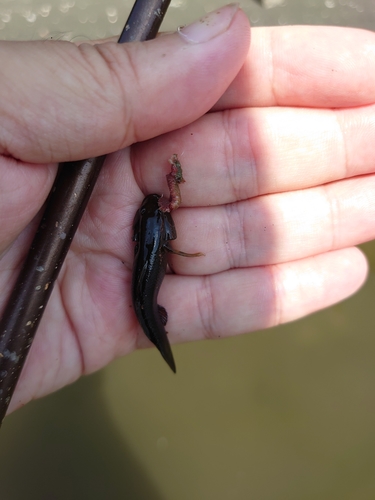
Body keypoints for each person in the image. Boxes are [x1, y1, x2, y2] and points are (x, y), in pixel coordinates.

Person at [0, 4, 372, 414]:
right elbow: (158, 233)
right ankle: (157, 337)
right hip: (139, 269)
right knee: (148, 304)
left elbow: (156, 233)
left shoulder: (152, 232)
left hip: (140, 268)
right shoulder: (156, 231)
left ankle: (157, 334)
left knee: (148, 304)